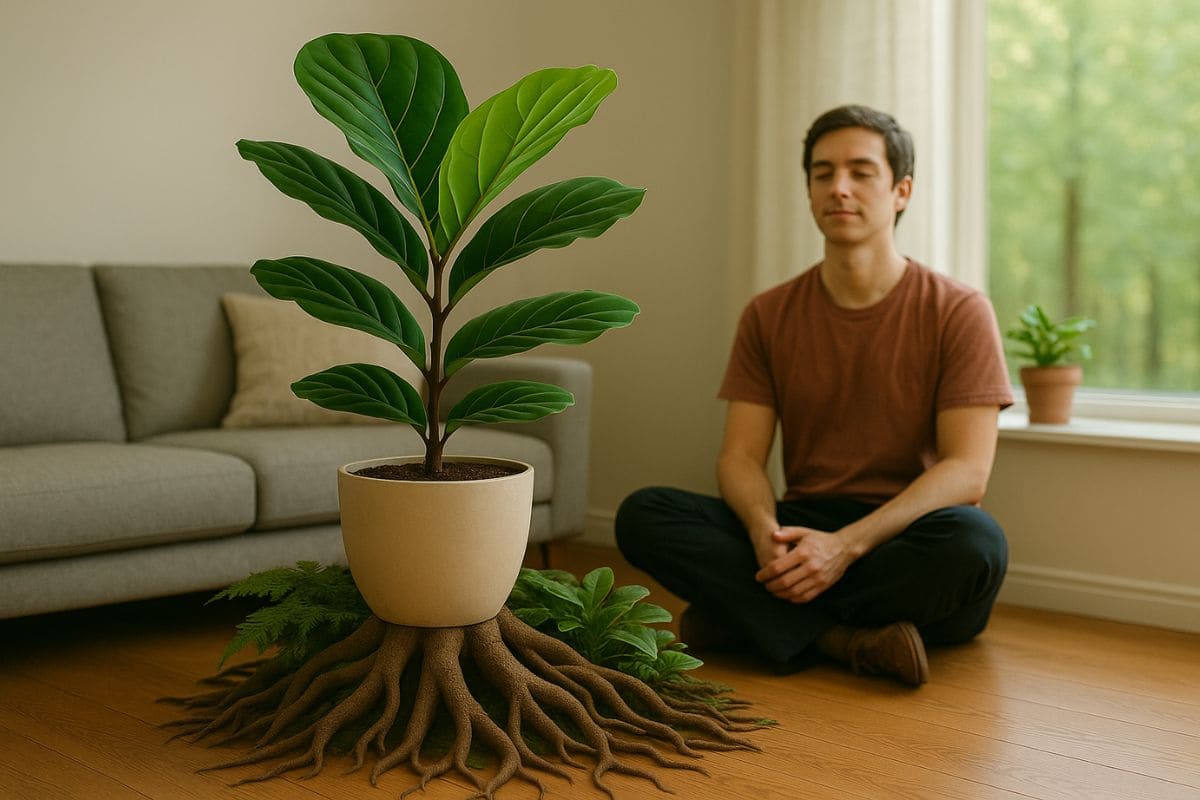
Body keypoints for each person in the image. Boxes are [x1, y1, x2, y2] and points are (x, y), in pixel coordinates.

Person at [615, 105, 1014, 687]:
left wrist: (846, 548)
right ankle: (846, 640)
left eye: (861, 171)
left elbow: (966, 472)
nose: (839, 188)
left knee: (978, 543)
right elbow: (741, 457)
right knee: (643, 514)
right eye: (823, 173)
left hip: (905, 535)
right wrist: (762, 533)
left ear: (901, 191)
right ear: (808, 190)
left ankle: (757, 620)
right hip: (800, 527)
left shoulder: (958, 310)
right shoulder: (769, 314)